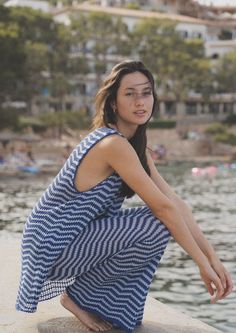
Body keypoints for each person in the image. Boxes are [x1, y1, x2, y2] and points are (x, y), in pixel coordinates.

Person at [16, 60, 233, 333]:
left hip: (74, 236)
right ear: (114, 103)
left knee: (158, 221)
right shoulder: (112, 144)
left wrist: (213, 258)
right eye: (130, 94)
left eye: (146, 92)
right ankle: (78, 298)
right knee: (155, 222)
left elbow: (175, 201)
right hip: (52, 241)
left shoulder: (133, 146)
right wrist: (202, 266)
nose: (140, 101)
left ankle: (84, 297)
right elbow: (163, 209)